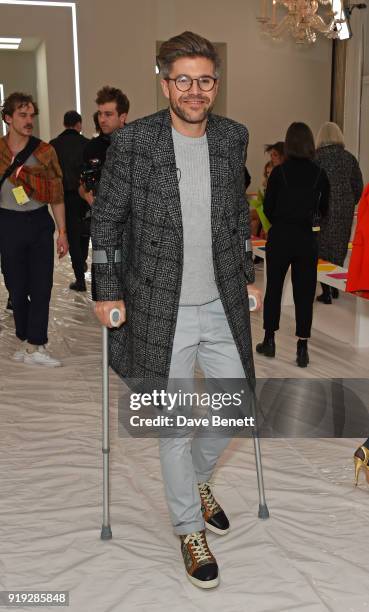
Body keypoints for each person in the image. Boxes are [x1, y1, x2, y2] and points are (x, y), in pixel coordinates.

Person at [91, 31, 262, 589]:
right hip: (155, 303)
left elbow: (236, 218)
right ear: (164, 81)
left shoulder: (233, 136)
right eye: (183, 79)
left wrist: (247, 277)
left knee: (237, 405)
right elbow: (108, 221)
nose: (195, 90)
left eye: (205, 80)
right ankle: (189, 527)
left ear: (216, 85)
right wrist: (106, 292)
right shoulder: (134, 141)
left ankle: (196, 479)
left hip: (219, 300)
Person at [0, 92, 68, 366]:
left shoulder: (44, 151)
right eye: (22, 115)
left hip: (39, 223)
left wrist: (62, 232)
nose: (29, 121)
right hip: (7, 224)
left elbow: (57, 194)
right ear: (8, 118)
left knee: (42, 285)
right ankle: (26, 338)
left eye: (31, 116)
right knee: (15, 287)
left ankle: (36, 344)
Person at [256, 122, 329, 367]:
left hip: (281, 237)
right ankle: (302, 347)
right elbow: (324, 208)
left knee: (274, 288)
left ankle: (269, 340)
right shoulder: (320, 174)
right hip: (306, 238)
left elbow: (268, 207)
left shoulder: (279, 173)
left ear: (288, 144)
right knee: (304, 293)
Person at [315, 121, 363, 303]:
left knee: (321, 248)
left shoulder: (316, 158)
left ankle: (326, 289)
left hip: (322, 209)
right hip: (344, 210)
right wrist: (350, 203)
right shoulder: (349, 158)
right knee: (339, 247)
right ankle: (334, 287)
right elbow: (358, 186)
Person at [50, 110, 90, 291]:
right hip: (83, 195)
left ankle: (80, 278)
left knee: (72, 235)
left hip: (63, 197)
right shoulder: (87, 144)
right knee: (84, 231)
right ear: (79, 124)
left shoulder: (54, 145)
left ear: (65, 124)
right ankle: (82, 262)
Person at [79, 86, 130, 208]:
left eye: (108, 114)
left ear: (122, 117)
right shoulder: (91, 147)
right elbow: (81, 186)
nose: (102, 120)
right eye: (100, 114)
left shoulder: (137, 144)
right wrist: (86, 195)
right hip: (100, 218)